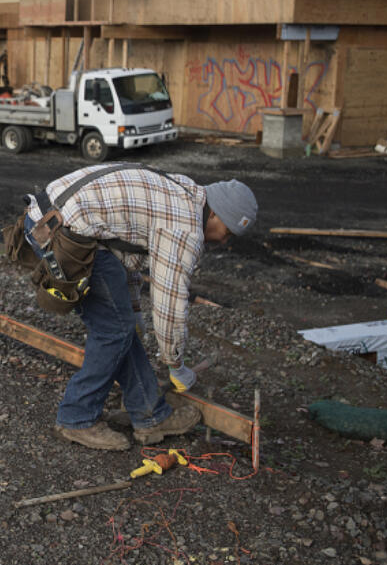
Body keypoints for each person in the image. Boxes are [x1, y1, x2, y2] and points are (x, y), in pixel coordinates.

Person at [29, 163, 258, 451]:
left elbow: (127, 257)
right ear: (214, 213)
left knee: (121, 325)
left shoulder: (183, 193)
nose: (225, 241)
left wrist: (134, 313)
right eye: (228, 231)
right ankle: (77, 418)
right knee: (115, 329)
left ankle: (149, 414)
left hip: (49, 219)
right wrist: (175, 363)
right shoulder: (185, 226)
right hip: (64, 234)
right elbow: (169, 303)